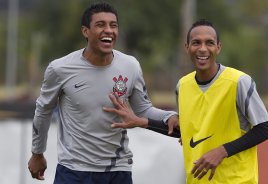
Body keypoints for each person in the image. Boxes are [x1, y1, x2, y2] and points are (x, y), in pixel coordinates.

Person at [105, 19, 268, 184]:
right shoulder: (183, 86)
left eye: (209, 43)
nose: (202, 49)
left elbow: (265, 128)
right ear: (187, 47)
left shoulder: (239, 82)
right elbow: (187, 133)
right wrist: (141, 122)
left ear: (218, 47)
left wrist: (222, 151)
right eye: (196, 43)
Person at [27, 2, 179, 184]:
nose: (108, 30)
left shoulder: (130, 66)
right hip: (74, 170)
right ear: (85, 31)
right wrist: (37, 153)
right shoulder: (60, 69)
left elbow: (143, 109)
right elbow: (43, 111)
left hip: (117, 169)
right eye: (100, 25)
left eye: (113, 25)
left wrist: (168, 116)